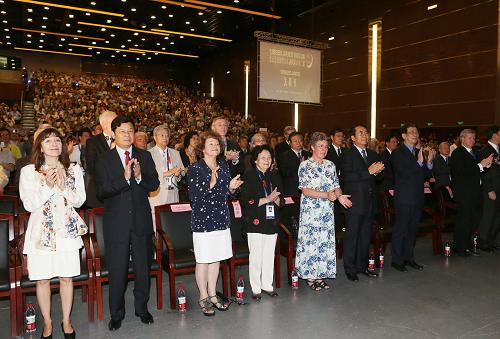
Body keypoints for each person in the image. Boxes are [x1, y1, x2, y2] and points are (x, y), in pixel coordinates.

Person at [19, 127, 87, 339]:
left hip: (66, 232)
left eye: (57, 140)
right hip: (41, 234)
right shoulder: (29, 171)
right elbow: (29, 205)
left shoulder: (73, 169)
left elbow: (79, 200)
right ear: (40, 146)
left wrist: (63, 186)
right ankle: (47, 323)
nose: (54, 144)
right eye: (48, 141)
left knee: (67, 278)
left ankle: (66, 320)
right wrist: (48, 186)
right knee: (42, 280)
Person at [95, 115, 160, 331]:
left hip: (141, 221)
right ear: (113, 133)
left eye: (131, 131)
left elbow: (154, 184)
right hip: (117, 224)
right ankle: (117, 313)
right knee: (118, 271)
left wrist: (140, 177)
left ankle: (142, 309)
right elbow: (101, 191)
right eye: (122, 131)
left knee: (143, 269)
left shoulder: (145, 156)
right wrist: (124, 179)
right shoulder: (105, 159)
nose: (127, 135)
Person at [187, 131, 243, 316]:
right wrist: (211, 182)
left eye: (217, 144)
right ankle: (203, 295)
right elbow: (194, 198)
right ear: (202, 148)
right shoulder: (195, 168)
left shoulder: (224, 166)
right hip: (203, 220)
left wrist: (231, 188)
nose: (215, 147)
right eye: (210, 144)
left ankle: (213, 294)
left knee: (216, 258)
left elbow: (227, 194)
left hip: (221, 217)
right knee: (203, 259)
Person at [295, 132, 351, 291]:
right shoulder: (305, 165)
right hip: (311, 212)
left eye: (326, 146)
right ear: (312, 147)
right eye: (320, 146)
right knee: (311, 243)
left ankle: (320, 276)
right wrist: (327, 195)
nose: (324, 149)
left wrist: (340, 197)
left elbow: (336, 186)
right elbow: (305, 190)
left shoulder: (330, 165)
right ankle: (310, 276)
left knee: (324, 243)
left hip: (326, 212)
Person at [341, 125, 384, 282]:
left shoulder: (372, 154)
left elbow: (379, 179)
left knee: (366, 236)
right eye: (361, 133)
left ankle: (362, 266)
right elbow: (347, 176)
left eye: (366, 133)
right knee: (352, 236)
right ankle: (350, 269)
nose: (365, 135)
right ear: (352, 138)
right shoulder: (347, 154)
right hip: (355, 202)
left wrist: (378, 172)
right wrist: (369, 172)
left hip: (370, 201)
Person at [241, 145, 283, 300]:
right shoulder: (249, 176)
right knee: (256, 256)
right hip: (255, 221)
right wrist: (268, 199)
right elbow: (246, 201)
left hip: (271, 221)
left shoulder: (275, 176)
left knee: (269, 255)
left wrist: (276, 199)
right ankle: (256, 288)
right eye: (263, 157)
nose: (266, 160)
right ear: (255, 160)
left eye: (269, 158)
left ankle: (267, 284)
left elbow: (282, 201)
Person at [391, 124, 435, 271]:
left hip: (417, 196)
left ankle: (409, 257)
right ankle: (397, 260)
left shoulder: (419, 152)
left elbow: (426, 176)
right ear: (404, 136)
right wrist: (420, 161)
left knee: (412, 230)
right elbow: (404, 173)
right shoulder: (397, 153)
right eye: (411, 132)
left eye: (416, 132)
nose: (415, 135)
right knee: (401, 229)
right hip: (404, 197)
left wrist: (429, 163)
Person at [450, 129, 493, 257]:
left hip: (476, 191)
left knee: (474, 219)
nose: (473, 140)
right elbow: (462, 172)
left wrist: (487, 165)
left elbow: (479, 171)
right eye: (470, 138)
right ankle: (459, 247)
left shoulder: (475, 152)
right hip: (464, 192)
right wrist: (481, 166)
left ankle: (467, 245)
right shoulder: (457, 153)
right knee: (464, 220)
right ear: (462, 139)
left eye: (474, 138)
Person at [148, 124, 184, 226]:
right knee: (157, 221)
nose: (165, 138)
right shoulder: (148, 154)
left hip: (173, 191)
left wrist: (178, 174)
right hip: (157, 193)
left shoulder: (175, 153)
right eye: (162, 135)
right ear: (155, 137)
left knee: (172, 220)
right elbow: (149, 175)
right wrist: (167, 173)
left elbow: (181, 172)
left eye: (167, 135)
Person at [85, 110, 117, 207]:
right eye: (115, 121)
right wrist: (111, 153)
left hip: (120, 193)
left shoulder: (123, 140)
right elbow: (92, 168)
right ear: (105, 125)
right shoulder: (92, 142)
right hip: (100, 194)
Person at [477, 126, 500, 251]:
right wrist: (489, 189)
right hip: (491, 189)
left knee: (497, 216)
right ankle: (483, 242)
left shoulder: (498, 150)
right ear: (494, 135)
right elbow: (484, 173)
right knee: (488, 216)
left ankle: (492, 240)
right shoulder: (485, 151)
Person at [278, 132, 309, 196]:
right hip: (292, 190)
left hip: (308, 189)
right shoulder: (284, 156)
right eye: (295, 141)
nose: (298, 143)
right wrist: (300, 166)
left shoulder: (308, 154)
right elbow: (284, 173)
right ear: (289, 142)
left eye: (300, 140)